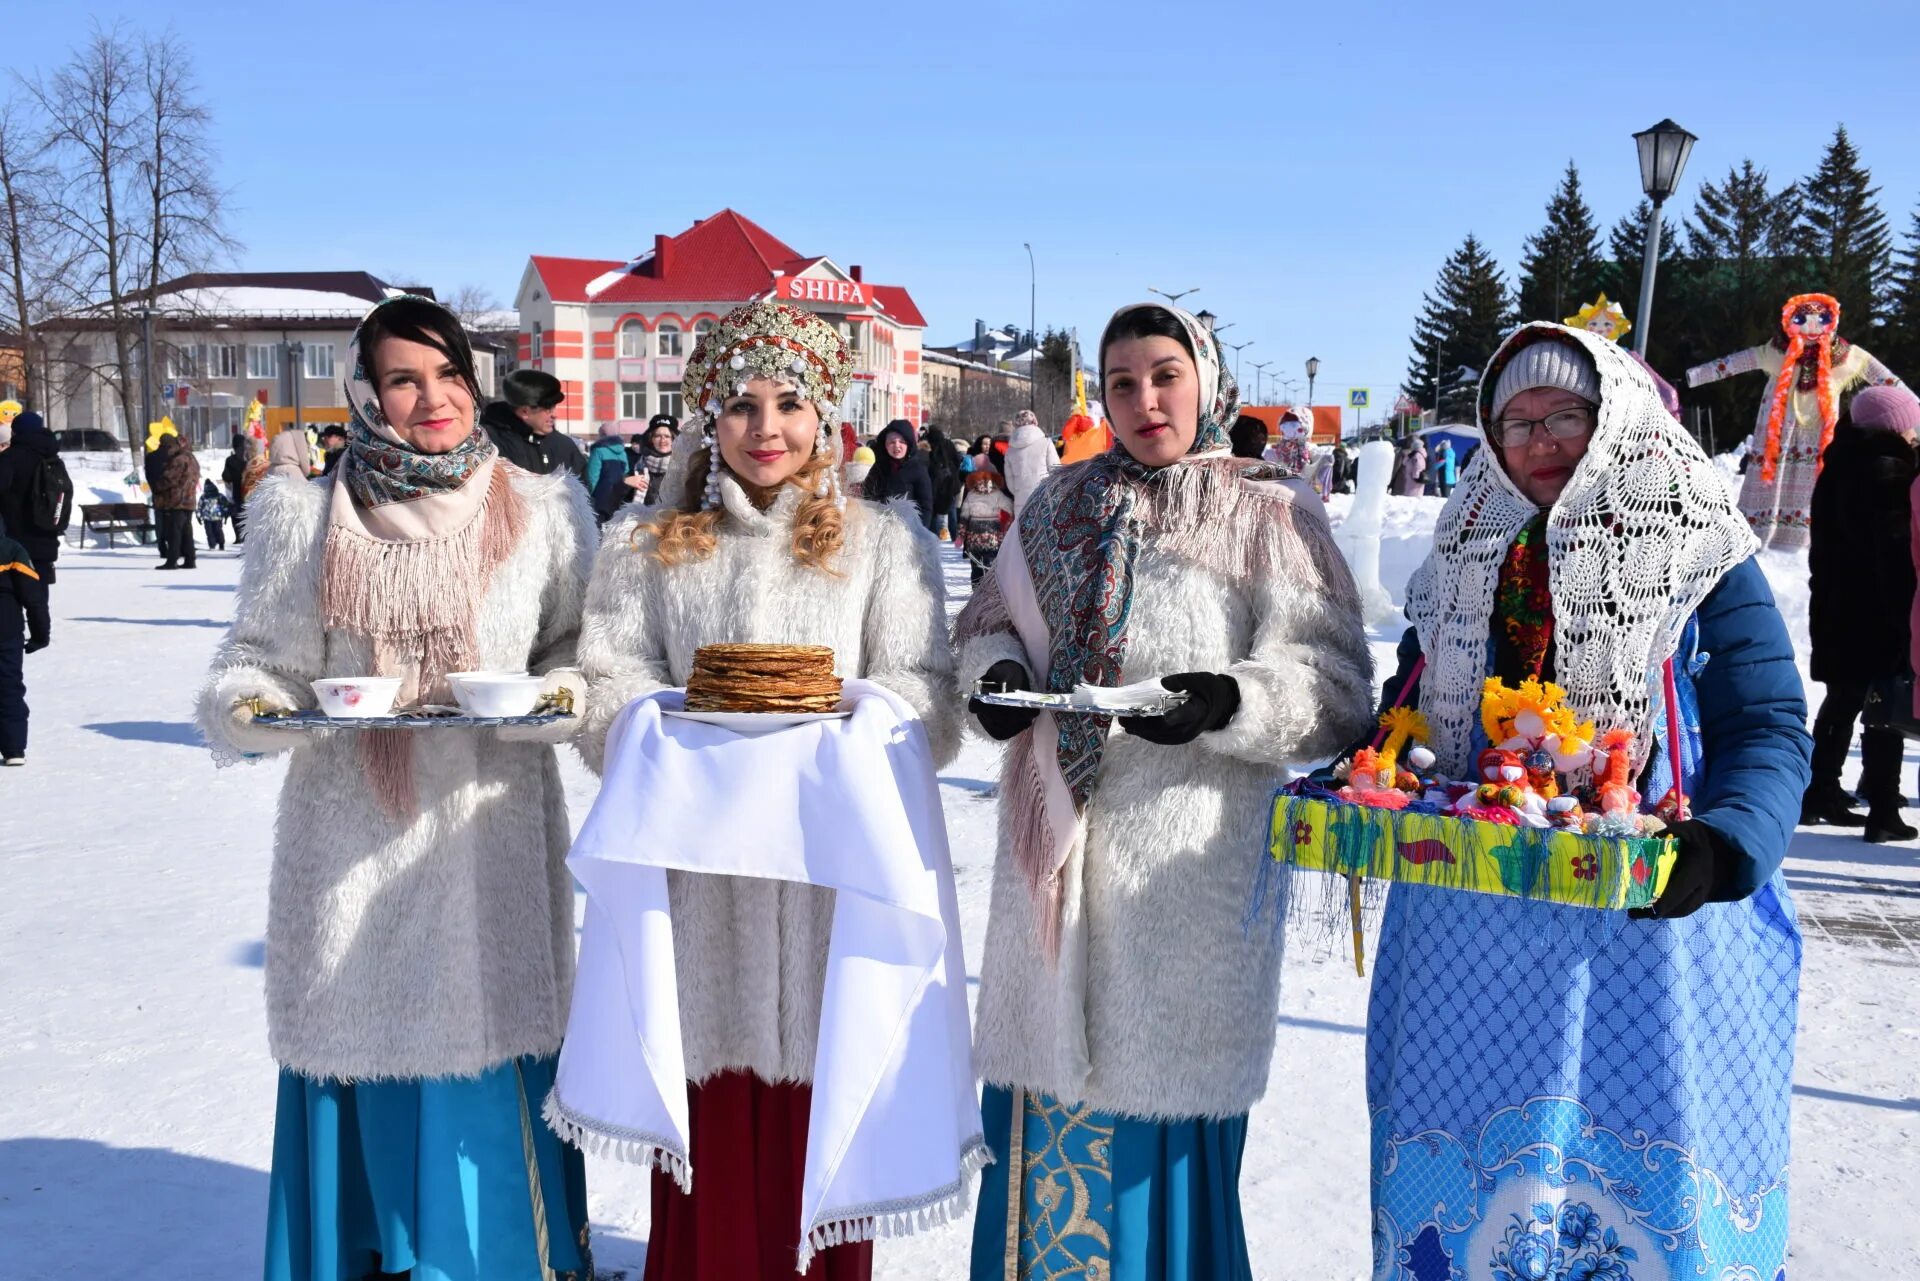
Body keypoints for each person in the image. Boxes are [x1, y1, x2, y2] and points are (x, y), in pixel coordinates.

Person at [1369, 323, 1809, 1280]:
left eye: (1565, 413)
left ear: (1613, 418)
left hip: (1650, 936)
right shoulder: (1461, 555)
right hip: (1469, 945)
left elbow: (1772, 723)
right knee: (1470, 1204)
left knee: (1638, 1206)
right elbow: (1410, 710)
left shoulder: (1697, 548)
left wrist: (1723, 848)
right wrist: (1383, 765)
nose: (1539, 440)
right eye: (1514, 420)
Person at [955, 301, 1374, 1279]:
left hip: (1186, 889)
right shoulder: (1054, 507)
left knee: (1162, 1154)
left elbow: (1338, 687)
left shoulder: (1270, 508)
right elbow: (982, 630)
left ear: (1207, 380)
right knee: (1042, 1137)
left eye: (1165, 375)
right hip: (1051, 879)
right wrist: (999, 683)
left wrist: (1229, 700)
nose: (1146, 399)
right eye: (1124, 382)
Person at [194, 295, 597, 1281]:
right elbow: (258, 660)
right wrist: (251, 707)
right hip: (352, 852)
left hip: (487, 846)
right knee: (363, 1045)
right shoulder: (304, 514)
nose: (433, 399)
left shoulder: (542, 510)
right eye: (405, 379)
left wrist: (556, 697)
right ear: (366, 394)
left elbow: (583, 654)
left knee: (493, 1056)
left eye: (449, 374)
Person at [565, 300, 960, 1279]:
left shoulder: (883, 544)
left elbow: (928, 700)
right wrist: (662, 730)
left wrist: (858, 722)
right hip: (701, 898)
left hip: (830, 896)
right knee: (708, 1136)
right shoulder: (646, 545)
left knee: (822, 1125)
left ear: (826, 414)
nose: (766, 428)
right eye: (740, 404)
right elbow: (605, 690)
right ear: (706, 413)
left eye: (790, 403)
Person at [1688, 292, 1906, 549]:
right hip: (1776, 430)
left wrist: (1913, 407)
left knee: (1812, 481)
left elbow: (1887, 380)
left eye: (1821, 319)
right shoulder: (1776, 350)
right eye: (1802, 318)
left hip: (1818, 433)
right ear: (1789, 320)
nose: (1812, 326)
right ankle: (1759, 532)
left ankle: (1802, 539)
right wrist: (1693, 376)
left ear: (1832, 321)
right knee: (1771, 478)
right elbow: (1733, 363)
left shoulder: (1848, 355)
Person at [1805, 384, 1920, 841]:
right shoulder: (1888, 471)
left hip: (1836, 605)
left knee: (1844, 699)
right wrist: (1903, 617)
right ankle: (1884, 811)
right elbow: (1894, 552)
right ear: (1894, 425)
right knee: (1883, 705)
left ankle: (1821, 792)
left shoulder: (1839, 465)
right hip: (1875, 611)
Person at [0, 411, 66, 652]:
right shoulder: (52, 458)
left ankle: (14, 631)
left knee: (13, 588)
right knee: (38, 590)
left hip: (14, 538)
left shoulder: (10, 459)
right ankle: (41, 632)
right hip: (45, 537)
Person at [481, 368, 586, 479]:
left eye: (554, 407)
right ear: (525, 411)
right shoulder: (488, 444)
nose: (555, 414)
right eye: (548, 409)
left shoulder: (564, 446)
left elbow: (584, 490)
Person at [0, 512, 37, 765]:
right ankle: (14, 749)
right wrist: (40, 633)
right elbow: (33, 597)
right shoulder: (12, 549)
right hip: (7, 628)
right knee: (8, 685)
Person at [862, 418, 933, 526]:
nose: (897, 446)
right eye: (892, 442)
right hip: (878, 529)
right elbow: (867, 498)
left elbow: (925, 506)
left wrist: (920, 533)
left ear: (908, 444)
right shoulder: (876, 467)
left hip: (908, 531)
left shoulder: (918, 469)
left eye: (902, 442)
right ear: (885, 444)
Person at [150, 433, 201, 570]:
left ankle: (172, 561)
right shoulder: (192, 458)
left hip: (177, 500)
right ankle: (190, 559)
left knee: (174, 531)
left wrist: (157, 487)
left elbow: (169, 478)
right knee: (186, 531)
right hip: (189, 499)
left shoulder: (179, 460)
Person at [957, 463, 1013, 584]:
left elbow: (964, 517)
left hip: (974, 537)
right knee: (990, 566)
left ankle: (976, 590)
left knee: (975, 567)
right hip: (992, 537)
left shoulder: (971, 495)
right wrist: (1008, 525)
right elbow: (1010, 508)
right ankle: (987, 590)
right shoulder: (997, 494)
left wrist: (961, 536)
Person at [1001, 407, 1059, 516]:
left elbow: (1010, 482)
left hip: (1021, 501)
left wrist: (1020, 492)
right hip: (1044, 497)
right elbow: (1056, 471)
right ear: (1034, 422)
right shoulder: (1045, 443)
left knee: (1023, 531)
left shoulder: (1010, 451)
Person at [584, 426, 634, 524]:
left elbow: (592, 476)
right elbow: (626, 471)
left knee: (599, 529)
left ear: (602, 435)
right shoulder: (623, 452)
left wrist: (589, 494)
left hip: (601, 496)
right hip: (618, 495)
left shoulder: (598, 450)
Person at [924, 424, 963, 539]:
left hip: (932, 483)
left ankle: (933, 536)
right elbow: (957, 460)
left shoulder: (927, 444)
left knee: (933, 512)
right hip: (949, 482)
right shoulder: (948, 444)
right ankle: (955, 536)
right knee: (951, 510)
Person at [633, 415, 676, 507]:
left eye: (667, 436)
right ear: (651, 439)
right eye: (657, 436)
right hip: (643, 519)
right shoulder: (638, 467)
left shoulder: (684, 468)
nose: (662, 440)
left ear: (673, 439)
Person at [222, 431, 256, 541]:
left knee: (237, 516)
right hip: (250, 493)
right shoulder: (250, 460)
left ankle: (239, 538)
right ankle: (246, 539)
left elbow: (226, 477)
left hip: (237, 492)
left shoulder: (230, 460)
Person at [197, 480, 231, 552]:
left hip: (207, 517)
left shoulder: (204, 497)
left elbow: (199, 507)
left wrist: (199, 516)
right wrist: (225, 513)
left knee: (209, 532)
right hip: (217, 517)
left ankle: (212, 545)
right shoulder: (219, 495)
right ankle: (221, 544)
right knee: (218, 531)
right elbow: (225, 505)